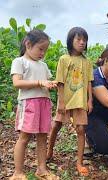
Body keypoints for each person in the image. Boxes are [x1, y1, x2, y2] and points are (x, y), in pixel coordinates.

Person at [10, 30, 58, 180]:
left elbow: (46, 82)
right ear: (28, 44)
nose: (43, 53)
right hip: (29, 103)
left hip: (44, 103)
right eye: (40, 49)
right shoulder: (20, 62)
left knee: (43, 137)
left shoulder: (43, 65)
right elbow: (17, 83)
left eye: (45, 50)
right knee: (24, 137)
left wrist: (53, 83)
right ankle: (18, 172)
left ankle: (42, 170)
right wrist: (39, 82)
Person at [47, 27, 93, 176]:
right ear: (70, 41)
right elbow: (60, 82)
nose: (82, 42)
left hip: (80, 101)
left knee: (81, 130)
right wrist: (61, 102)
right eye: (78, 39)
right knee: (56, 125)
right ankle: (49, 151)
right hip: (66, 100)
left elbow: (89, 83)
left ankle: (79, 162)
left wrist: (90, 100)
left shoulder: (87, 62)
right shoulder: (64, 59)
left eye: (84, 40)